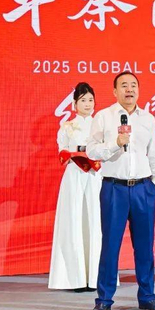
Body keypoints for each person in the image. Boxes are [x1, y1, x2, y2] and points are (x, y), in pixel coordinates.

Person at [86, 72, 155, 310]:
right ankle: (104, 299)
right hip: (114, 188)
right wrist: (116, 143)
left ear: (138, 90)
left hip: (143, 188)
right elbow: (92, 151)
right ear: (114, 91)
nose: (129, 89)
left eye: (133, 85)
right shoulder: (104, 117)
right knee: (110, 245)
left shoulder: (148, 119)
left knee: (145, 246)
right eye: (124, 86)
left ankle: (147, 296)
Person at [48, 82, 102, 292]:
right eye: (83, 100)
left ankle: (96, 277)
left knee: (96, 221)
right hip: (74, 176)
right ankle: (75, 278)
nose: (88, 104)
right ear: (75, 103)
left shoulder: (100, 125)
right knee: (73, 220)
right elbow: (62, 151)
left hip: (95, 175)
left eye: (91, 100)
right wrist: (75, 155)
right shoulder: (67, 126)